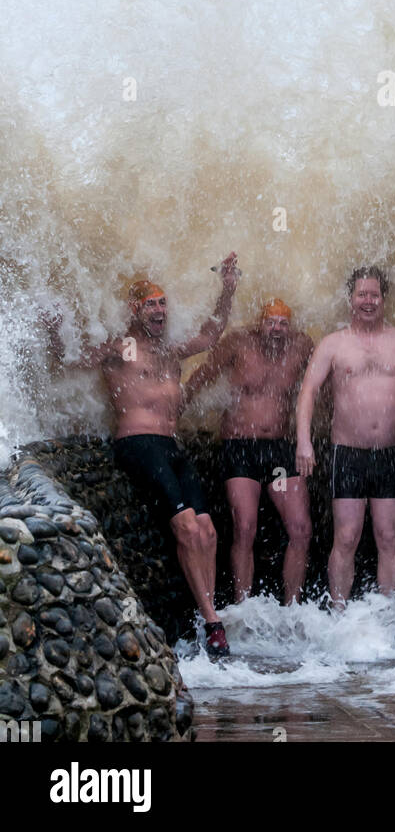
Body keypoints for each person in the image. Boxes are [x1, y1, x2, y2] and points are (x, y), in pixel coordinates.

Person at [47, 255, 240, 659]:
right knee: (187, 528)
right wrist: (52, 331)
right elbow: (72, 360)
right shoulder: (124, 346)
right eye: (151, 304)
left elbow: (209, 335)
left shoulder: (169, 350)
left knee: (207, 531)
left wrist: (228, 289)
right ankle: (212, 622)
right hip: (138, 444)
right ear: (135, 309)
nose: (159, 310)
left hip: (171, 446)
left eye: (163, 303)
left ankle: (205, 615)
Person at [295, 266, 395, 606]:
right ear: (351, 298)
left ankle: (386, 617)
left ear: (383, 299)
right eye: (362, 294)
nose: (368, 301)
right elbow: (308, 392)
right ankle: (339, 615)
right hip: (348, 453)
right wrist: (303, 440)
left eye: (374, 294)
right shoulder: (333, 344)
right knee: (346, 536)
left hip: (391, 452)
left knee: (388, 537)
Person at [183, 297, 314, 606]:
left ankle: (292, 606)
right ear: (260, 323)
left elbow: (321, 380)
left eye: (283, 323)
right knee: (244, 527)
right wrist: (181, 403)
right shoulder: (239, 342)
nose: (277, 329)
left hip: (280, 454)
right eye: (271, 322)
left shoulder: (300, 346)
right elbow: (206, 372)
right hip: (241, 448)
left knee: (300, 528)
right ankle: (243, 606)